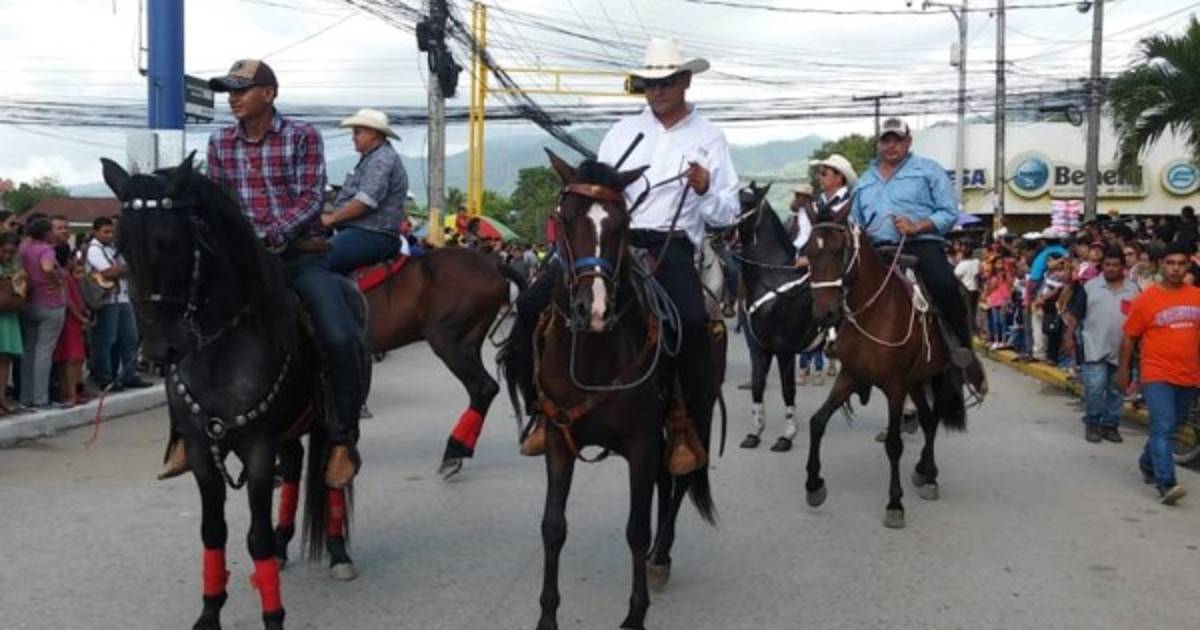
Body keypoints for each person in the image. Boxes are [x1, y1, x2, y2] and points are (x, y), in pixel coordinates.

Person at [514, 38, 740, 475]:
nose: (656, 90)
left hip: (668, 246)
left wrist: (705, 187)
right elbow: (596, 192)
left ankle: (682, 426)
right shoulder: (622, 132)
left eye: (666, 82)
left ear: (686, 81)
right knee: (528, 308)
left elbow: (727, 212)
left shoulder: (710, 137)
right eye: (649, 82)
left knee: (691, 323)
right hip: (608, 243)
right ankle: (538, 411)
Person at [157, 59, 368, 487]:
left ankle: (343, 439)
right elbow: (219, 204)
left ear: (268, 93)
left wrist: (271, 234)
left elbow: (311, 198)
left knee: (340, 334)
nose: (232, 97)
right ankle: (180, 434)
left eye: (241, 89)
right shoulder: (220, 144)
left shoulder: (302, 136)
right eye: (228, 90)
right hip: (240, 266)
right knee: (178, 329)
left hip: (297, 258)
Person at [850, 117, 986, 397]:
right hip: (877, 250)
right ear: (878, 144)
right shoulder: (864, 180)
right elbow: (854, 221)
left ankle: (963, 354)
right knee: (841, 289)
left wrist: (917, 225)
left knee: (945, 286)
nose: (891, 146)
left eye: (896, 140)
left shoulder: (928, 170)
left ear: (908, 142)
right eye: (885, 140)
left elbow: (949, 212)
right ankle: (848, 355)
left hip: (920, 245)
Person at [1116, 241, 1200, 506]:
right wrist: (1124, 371)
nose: (1175, 269)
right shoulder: (1147, 299)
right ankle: (1167, 484)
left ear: (1188, 265)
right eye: (1170, 263)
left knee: (1171, 427)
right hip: (1156, 374)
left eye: (1181, 264)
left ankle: (1147, 463)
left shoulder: (1196, 296)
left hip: (1189, 375)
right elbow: (1129, 338)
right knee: (1163, 426)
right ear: (1161, 265)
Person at [1063, 247, 1140, 444]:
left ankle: (1110, 425)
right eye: (1107, 265)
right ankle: (1093, 423)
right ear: (1101, 266)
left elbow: (1140, 320)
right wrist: (1069, 336)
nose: (1111, 268)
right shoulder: (1090, 287)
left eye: (1115, 265)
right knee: (1095, 387)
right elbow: (1075, 314)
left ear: (1122, 267)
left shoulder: (1134, 290)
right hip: (1094, 345)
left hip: (1123, 349)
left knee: (1117, 389)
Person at [324, 108, 408, 274]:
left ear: (374, 134)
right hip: (364, 232)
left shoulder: (381, 159)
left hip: (373, 234)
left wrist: (332, 218)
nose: (353, 138)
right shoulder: (373, 158)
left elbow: (365, 202)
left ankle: (336, 300)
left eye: (357, 132)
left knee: (318, 262)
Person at [85, 217, 151, 391]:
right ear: (95, 232)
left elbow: (120, 268)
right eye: (105, 232)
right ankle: (104, 376)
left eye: (112, 232)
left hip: (122, 297)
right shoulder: (94, 250)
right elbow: (108, 272)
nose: (110, 235)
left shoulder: (114, 249)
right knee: (107, 340)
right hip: (106, 300)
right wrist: (129, 269)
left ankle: (129, 374)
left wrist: (123, 269)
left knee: (130, 338)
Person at [17, 217, 64, 409]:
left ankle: (26, 396)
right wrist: (56, 280)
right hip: (50, 303)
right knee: (44, 352)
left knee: (29, 351)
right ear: (47, 233)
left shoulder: (24, 248)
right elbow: (46, 267)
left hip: (29, 301)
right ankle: (41, 397)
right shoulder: (46, 250)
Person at [53, 244, 88, 407]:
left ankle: (67, 392)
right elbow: (68, 301)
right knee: (72, 358)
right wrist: (81, 317)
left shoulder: (64, 275)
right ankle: (71, 394)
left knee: (66, 358)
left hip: (69, 320)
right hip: (71, 321)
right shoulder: (64, 276)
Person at [0, 232, 25, 414]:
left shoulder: (14, 267)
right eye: (4, 252)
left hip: (9, 316)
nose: (7, 256)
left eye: (11, 253)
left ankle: (1, 399)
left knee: (5, 359)